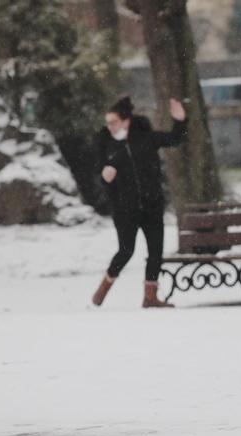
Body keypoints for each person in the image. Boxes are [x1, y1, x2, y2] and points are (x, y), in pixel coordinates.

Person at [90, 95, 188, 308]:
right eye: (107, 122)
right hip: (125, 209)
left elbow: (175, 138)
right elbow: (99, 173)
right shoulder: (105, 144)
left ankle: (150, 296)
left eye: (113, 122)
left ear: (126, 121)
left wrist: (180, 120)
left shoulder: (146, 138)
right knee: (126, 250)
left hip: (152, 205)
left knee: (156, 250)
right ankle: (103, 289)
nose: (109, 126)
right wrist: (104, 177)